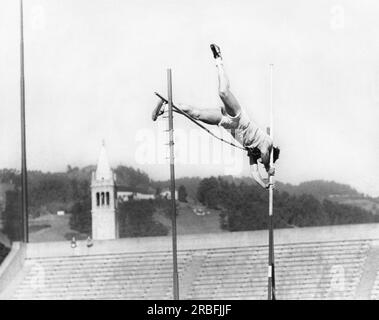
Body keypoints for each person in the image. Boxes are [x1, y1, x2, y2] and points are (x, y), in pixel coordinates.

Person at [153, 44, 279, 189]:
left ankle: (167, 104)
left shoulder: (252, 153)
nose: (262, 163)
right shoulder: (267, 143)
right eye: (265, 162)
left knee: (197, 114)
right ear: (271, 155)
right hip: (239, 118)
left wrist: (264, 184)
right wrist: (269, 170)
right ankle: (218, 59)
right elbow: (264, 153)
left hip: (226, 123)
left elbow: (254, 173)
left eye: (263, 163)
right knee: (223, 92)